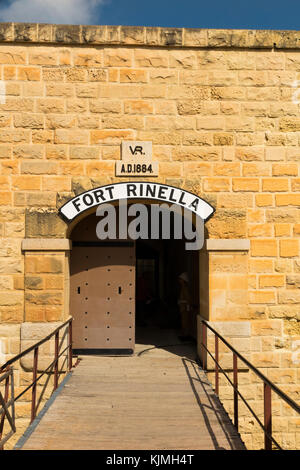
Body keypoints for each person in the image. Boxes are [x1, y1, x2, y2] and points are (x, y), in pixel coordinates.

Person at [177, 272, 192, 341]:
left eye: (180, 279)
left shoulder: (185, 288)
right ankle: (184, 334)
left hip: (185, 308)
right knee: (183, 322)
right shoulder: (183, 287)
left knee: (185, 322)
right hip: (183, 308)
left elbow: (188, 299)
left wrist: (181, 301)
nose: (179, 280)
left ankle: (186, 335)